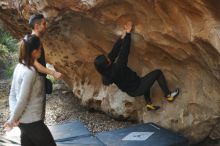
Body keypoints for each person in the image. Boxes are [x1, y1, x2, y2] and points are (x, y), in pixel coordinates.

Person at [94, 21, 179, 111]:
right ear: (108, 64)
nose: (108, 58)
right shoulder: (117, 69)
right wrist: (128, 33)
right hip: (137, 88)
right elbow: (124, 52)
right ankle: (168, 95)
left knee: (146, 81)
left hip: (132, 87)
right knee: (158, 73)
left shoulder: (105, 71)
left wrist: (122, 37)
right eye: (107, 60)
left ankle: (149, 105)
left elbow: (113, 53)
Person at [4, 35, 56, 146]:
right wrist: (12, 120)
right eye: (40, 49)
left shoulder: (19, 66)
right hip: (33, 123)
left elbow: (12, 95)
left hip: (24, 123)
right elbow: (22, 100)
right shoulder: (30, 71)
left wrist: (15, 117)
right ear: (34, 52)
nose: (41, 51)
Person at [28, 13, 62, 79]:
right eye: (44, 24)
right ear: (36, 26)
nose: (45, 26)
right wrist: (53, 73)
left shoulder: (32, 38)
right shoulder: (33, 40)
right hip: (35, 78)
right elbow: (33, 62)